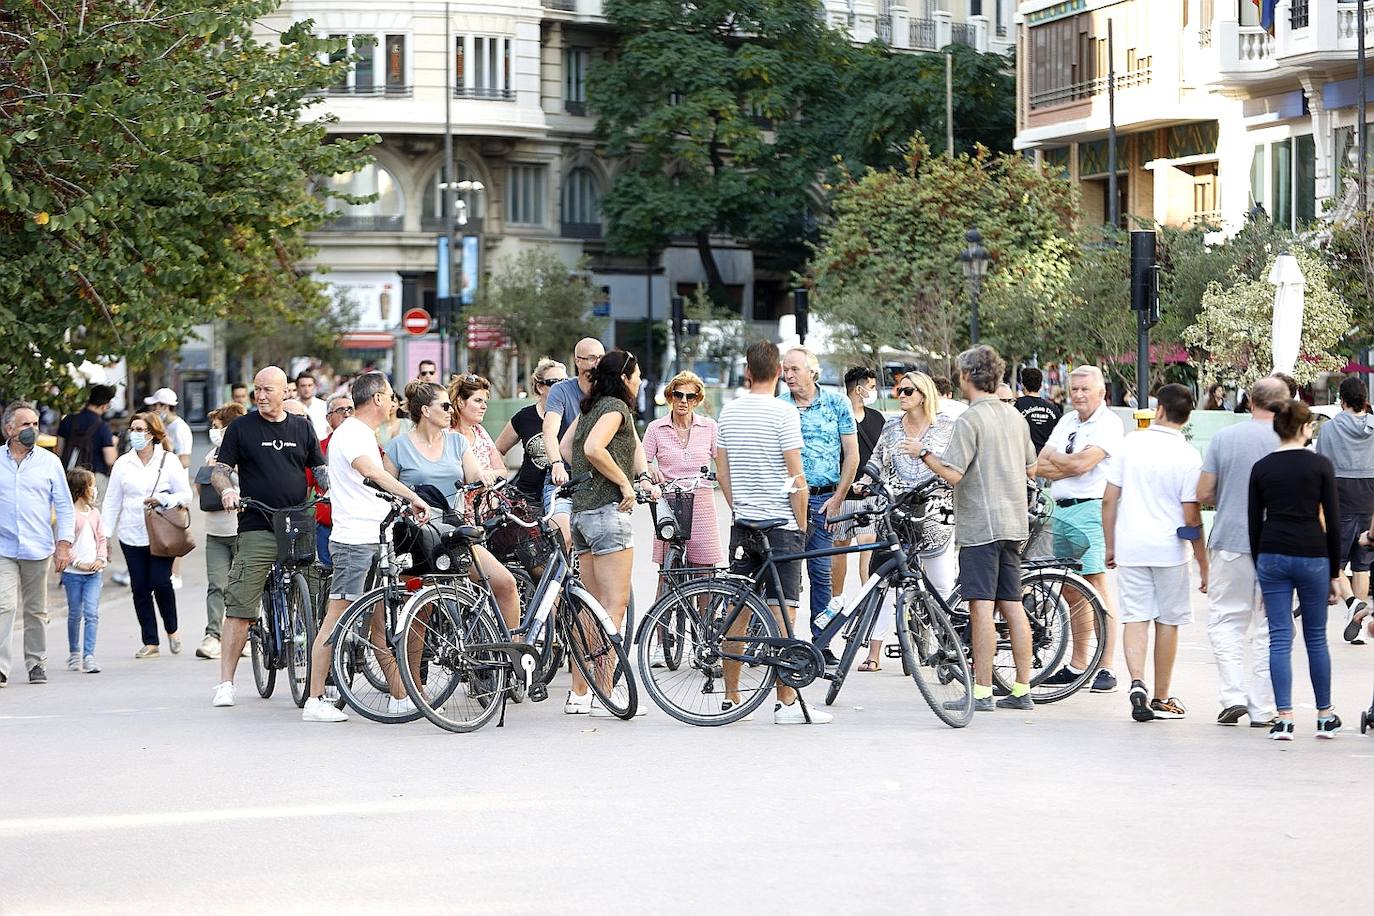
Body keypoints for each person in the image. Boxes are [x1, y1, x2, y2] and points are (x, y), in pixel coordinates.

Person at [717, 341, 831, 725]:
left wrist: (738, 507)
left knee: (739, 610)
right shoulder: (784, 414)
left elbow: (722, 470)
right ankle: (785, 703)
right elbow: (796, 477)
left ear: (747, 371)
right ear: (779, 372)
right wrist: (801, 522)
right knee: (786, 614)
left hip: (744, 523)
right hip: (780, 525)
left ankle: (732, 696)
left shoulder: (729, 413)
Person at [304, 371, 429, 723]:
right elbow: (371, 471)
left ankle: (399, 695)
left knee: (379, 620)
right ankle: (315, 699)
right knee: (337, 618)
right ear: (375, 398)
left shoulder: (363, 433)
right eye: (389, 395)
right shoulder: (352, 434)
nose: (393, 402)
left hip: (374, 537)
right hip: (354, 541)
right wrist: (412, 497)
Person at [920, 346, 1037, 712]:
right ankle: (1022, 689)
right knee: (1013, 605)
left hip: (980, 526)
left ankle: (982, 691)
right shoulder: (1014, 417)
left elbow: (953, 472)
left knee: (981, 608)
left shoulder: (969, 420)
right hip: (1014, 523)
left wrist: (922, 454)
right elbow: (1031, 468)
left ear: (966, 376)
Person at [209, 366, 327, 709]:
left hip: (297, 522)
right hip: (257, 523)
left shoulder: (302, 427)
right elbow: (220, 470)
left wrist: (330, 489)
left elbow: (319, 469)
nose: (261, 396)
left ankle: (319, 675)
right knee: (241, 604)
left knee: (314, 594)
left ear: (284, 392)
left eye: (268, 390)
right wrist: (228, 491)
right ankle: (226, 683)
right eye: (257, 389)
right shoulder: (241, 428)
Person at [1102, 384, 1207, 723]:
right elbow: (1191, 515)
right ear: (1188, 416)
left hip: (1131, 544)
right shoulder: (1189, 455)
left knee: (1135, 616)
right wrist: (1203, 561)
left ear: (1159, 410)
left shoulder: (1130, 443)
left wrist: (1111, 544)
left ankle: (1136, 682)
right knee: (1168, 620)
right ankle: (1161, 695)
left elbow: (1109, 498)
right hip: (1170, 549)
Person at [383, 381, 519, 633]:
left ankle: (514, 659)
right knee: (419, 611)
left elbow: (474, 475)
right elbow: (387, 491)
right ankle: (412, 672)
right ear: (425, 410)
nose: (450, 411)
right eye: (445, 406)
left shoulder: (457, 442)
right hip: (415, 536)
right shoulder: (397, 447)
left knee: (505, 584)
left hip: (452, 532)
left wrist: (486, 478)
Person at [564, 350, 653, 717]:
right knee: (614, 606)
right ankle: (606, 689)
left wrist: (586, 479)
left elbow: (568, 447)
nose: (639, 381)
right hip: (608, 512)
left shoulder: (590, 407)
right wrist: (623, 484)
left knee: (590, 605)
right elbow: (592, 448)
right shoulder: (615, 407)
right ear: (626, 376)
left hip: (582, 513)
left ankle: (578, 693)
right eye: (637, 374)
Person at [1248, 399, 1343, 740]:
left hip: (1272, 553)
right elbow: (1332, 520)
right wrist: (1335, 572)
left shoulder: (1261, 468)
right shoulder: (1320, 466)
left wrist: (1259, 573)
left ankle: (1284, 718)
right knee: (1316, 638)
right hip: (1313, 553)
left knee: (1279, 638)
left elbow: (1253, 524)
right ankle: (1324, 716)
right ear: (1305, 428)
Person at [1196, 376, 1284, 727]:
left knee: (1226, 619)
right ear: (1286, 404)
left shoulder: (1224, 438)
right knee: (1270, 626)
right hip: (1276, 545)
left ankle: (1232, 696)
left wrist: (1231, 495)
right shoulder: (1293, 442)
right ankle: (1262, 706)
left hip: (1230, 540)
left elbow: (1203, 492)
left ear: (1250, 403)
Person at [1034, 365, 1125, 694]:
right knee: (1070, 589)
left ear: (1102, 392)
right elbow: (1041, 463)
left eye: (1086, 389)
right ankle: (1078, 664)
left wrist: (1062, 463)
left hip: (1091, 508)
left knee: (1096, 585)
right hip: (1061, 509)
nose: (1079, 395)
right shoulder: (1067, 421)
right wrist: (1066, 463)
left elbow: (1079, 465)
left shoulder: (1109, 424)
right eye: (1074, 389)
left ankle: (1107, 667)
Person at [860, 371, 956, 671]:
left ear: (924, 395)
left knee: (940, 583)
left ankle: (946, 649)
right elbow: (876, 460)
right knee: (882, 582)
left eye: (908, 391)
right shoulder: (890, 427)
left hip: (936, 513)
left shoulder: (947, 428)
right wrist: (865, 480)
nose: (900, 395)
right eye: (899, 390)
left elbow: (955, 467)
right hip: (896, 513)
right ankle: (873, 653)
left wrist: (924, 452)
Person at [779, 346, 858, 665]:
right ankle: (782, 640)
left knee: (821, 573)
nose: (788, 375)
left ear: (813, 372)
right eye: (785, 370)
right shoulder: (780, 407)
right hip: (788, 498)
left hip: (826, 497)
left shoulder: (838, 403)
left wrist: (839, 497)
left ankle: (821, 642)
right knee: (785, 571)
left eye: (794, 369)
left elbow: (851, 454)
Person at [102, 412, 191, 659]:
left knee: (161, 582)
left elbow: (186, 495)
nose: (135, 434)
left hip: (160, 532)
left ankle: (172, 630)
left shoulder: (168, 461)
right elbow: (111, 501)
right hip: (130, 533)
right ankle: (150, 641)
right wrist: (105, 535)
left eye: (140, 429)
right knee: (139, 588)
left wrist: (163, 499)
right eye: (133, 429)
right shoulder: (123, 463)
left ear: (152, 433)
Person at [0, 401, 75, 686]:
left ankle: (36, 663)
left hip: (37, 546)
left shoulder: (49, 462)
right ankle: (1, 667)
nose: (32, 429)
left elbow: (65, 507)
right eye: (25, 424)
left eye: (35, 424)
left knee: (36, 609)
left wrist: (64, 544)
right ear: (9, 429)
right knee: (4, 605)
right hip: (3, 547)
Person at [825, 367, 887, 651]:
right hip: (842, 493)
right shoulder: (837, 413)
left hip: (870, 497)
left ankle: (865, 601)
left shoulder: (877, 419)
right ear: (857, 388)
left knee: (867, 549)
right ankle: (836, 600)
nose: (873, 390)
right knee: (839, 547)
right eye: (870, 386)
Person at [643, 370, 722, 573]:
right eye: (678, 395)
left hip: (702, 501)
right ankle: (665, 603)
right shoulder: (655, 428)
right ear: (670, 397)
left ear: (697, 400)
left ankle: (706, 606)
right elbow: (641, 461)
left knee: (705, 571)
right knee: (666, 571)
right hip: (667, 499)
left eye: (690, 396)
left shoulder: (709, 427)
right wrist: (650, 468)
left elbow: (723, 463)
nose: (683, 400)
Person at [1315, 376, 1374, 645]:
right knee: (1363, 564)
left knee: (1333, 559)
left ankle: (1352, 604)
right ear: (1364, 399)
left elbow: (1322, 469)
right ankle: (1359, 627)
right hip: (1370, 496)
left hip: (1340, 495)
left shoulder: (1329, 430)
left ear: (1341, 400)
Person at [195, 401, 247, 660]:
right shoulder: (210, 456)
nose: (214, 432)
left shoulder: (247, 453)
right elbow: (201, 488)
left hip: (242, 530)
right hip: (215, 531)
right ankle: (213, 635)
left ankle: (247, 635)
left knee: (243, 587)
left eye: (217, 427)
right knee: (216, 585)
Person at [544, 337, 606, 536]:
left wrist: (644, 473)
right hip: (566, 478)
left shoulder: (611, 393)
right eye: (591, 358)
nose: (597, 363)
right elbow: (550, 432)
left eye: (601, 358)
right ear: (577, 361)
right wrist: (556, 463)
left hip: (601, 479)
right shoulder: (560, 391)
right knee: (562, 529)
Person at [494, 358, 567, 507]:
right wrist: (501, 477)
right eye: (555, 382)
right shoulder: (524, 417)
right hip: (527, 498)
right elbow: (498, 449)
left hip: (563, 495)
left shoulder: (573, 415)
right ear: (540, 387)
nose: (562, 387)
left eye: (565, 381)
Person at [62, 468, 107, 674]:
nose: (95, 490)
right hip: (73, 574)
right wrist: (78, 562)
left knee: (91, 613)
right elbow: (63, 543)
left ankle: (89, 655)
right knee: (74, 613)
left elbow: (101, 539)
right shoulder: (69, 514)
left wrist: (100, 559)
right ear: (81, 489)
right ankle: (74, 652)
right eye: (92, 486)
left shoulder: (95, 514)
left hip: (94, 574)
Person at [312, 391, 354, 570]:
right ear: (329, 418)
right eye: (341, 410)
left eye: (350, 409)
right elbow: (307, 488)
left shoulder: (371, 446)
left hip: (357, 525)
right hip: (327, 524)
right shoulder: (318, 449)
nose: (346, 414)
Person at [55, 384, 118, 483]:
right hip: (93, 479)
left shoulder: (68, 420)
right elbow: (110, 460)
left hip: (69, 477)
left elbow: (59, 451)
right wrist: (114, 443)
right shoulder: (103, 427)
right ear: (104, 406)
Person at [449, 375, 499, 472]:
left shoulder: (480, 432)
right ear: (460, 402)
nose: (484, 407)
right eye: (478, 400)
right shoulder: (445, 434)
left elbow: (501, 470)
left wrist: (489, 476)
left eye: (485, 402)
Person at [1014, 367, 1061, 454]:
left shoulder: (1017, 406)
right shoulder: (1053, 409)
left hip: (1025, 458)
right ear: (1040, 385)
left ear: (1023, 385)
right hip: (1047, 458)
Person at [144, 388, 192, 470]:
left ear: (165, 406)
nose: (153, 409)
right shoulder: (162, 424)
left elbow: (185, 462)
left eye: (155, 405)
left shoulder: (181, 428)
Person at [294, 371, 329, 441]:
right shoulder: (293, 406)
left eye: (310, 385)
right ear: (297, 387)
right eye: (303, 386)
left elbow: (329, 428)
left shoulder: (324, 405)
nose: (306, 389)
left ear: (314, 386)